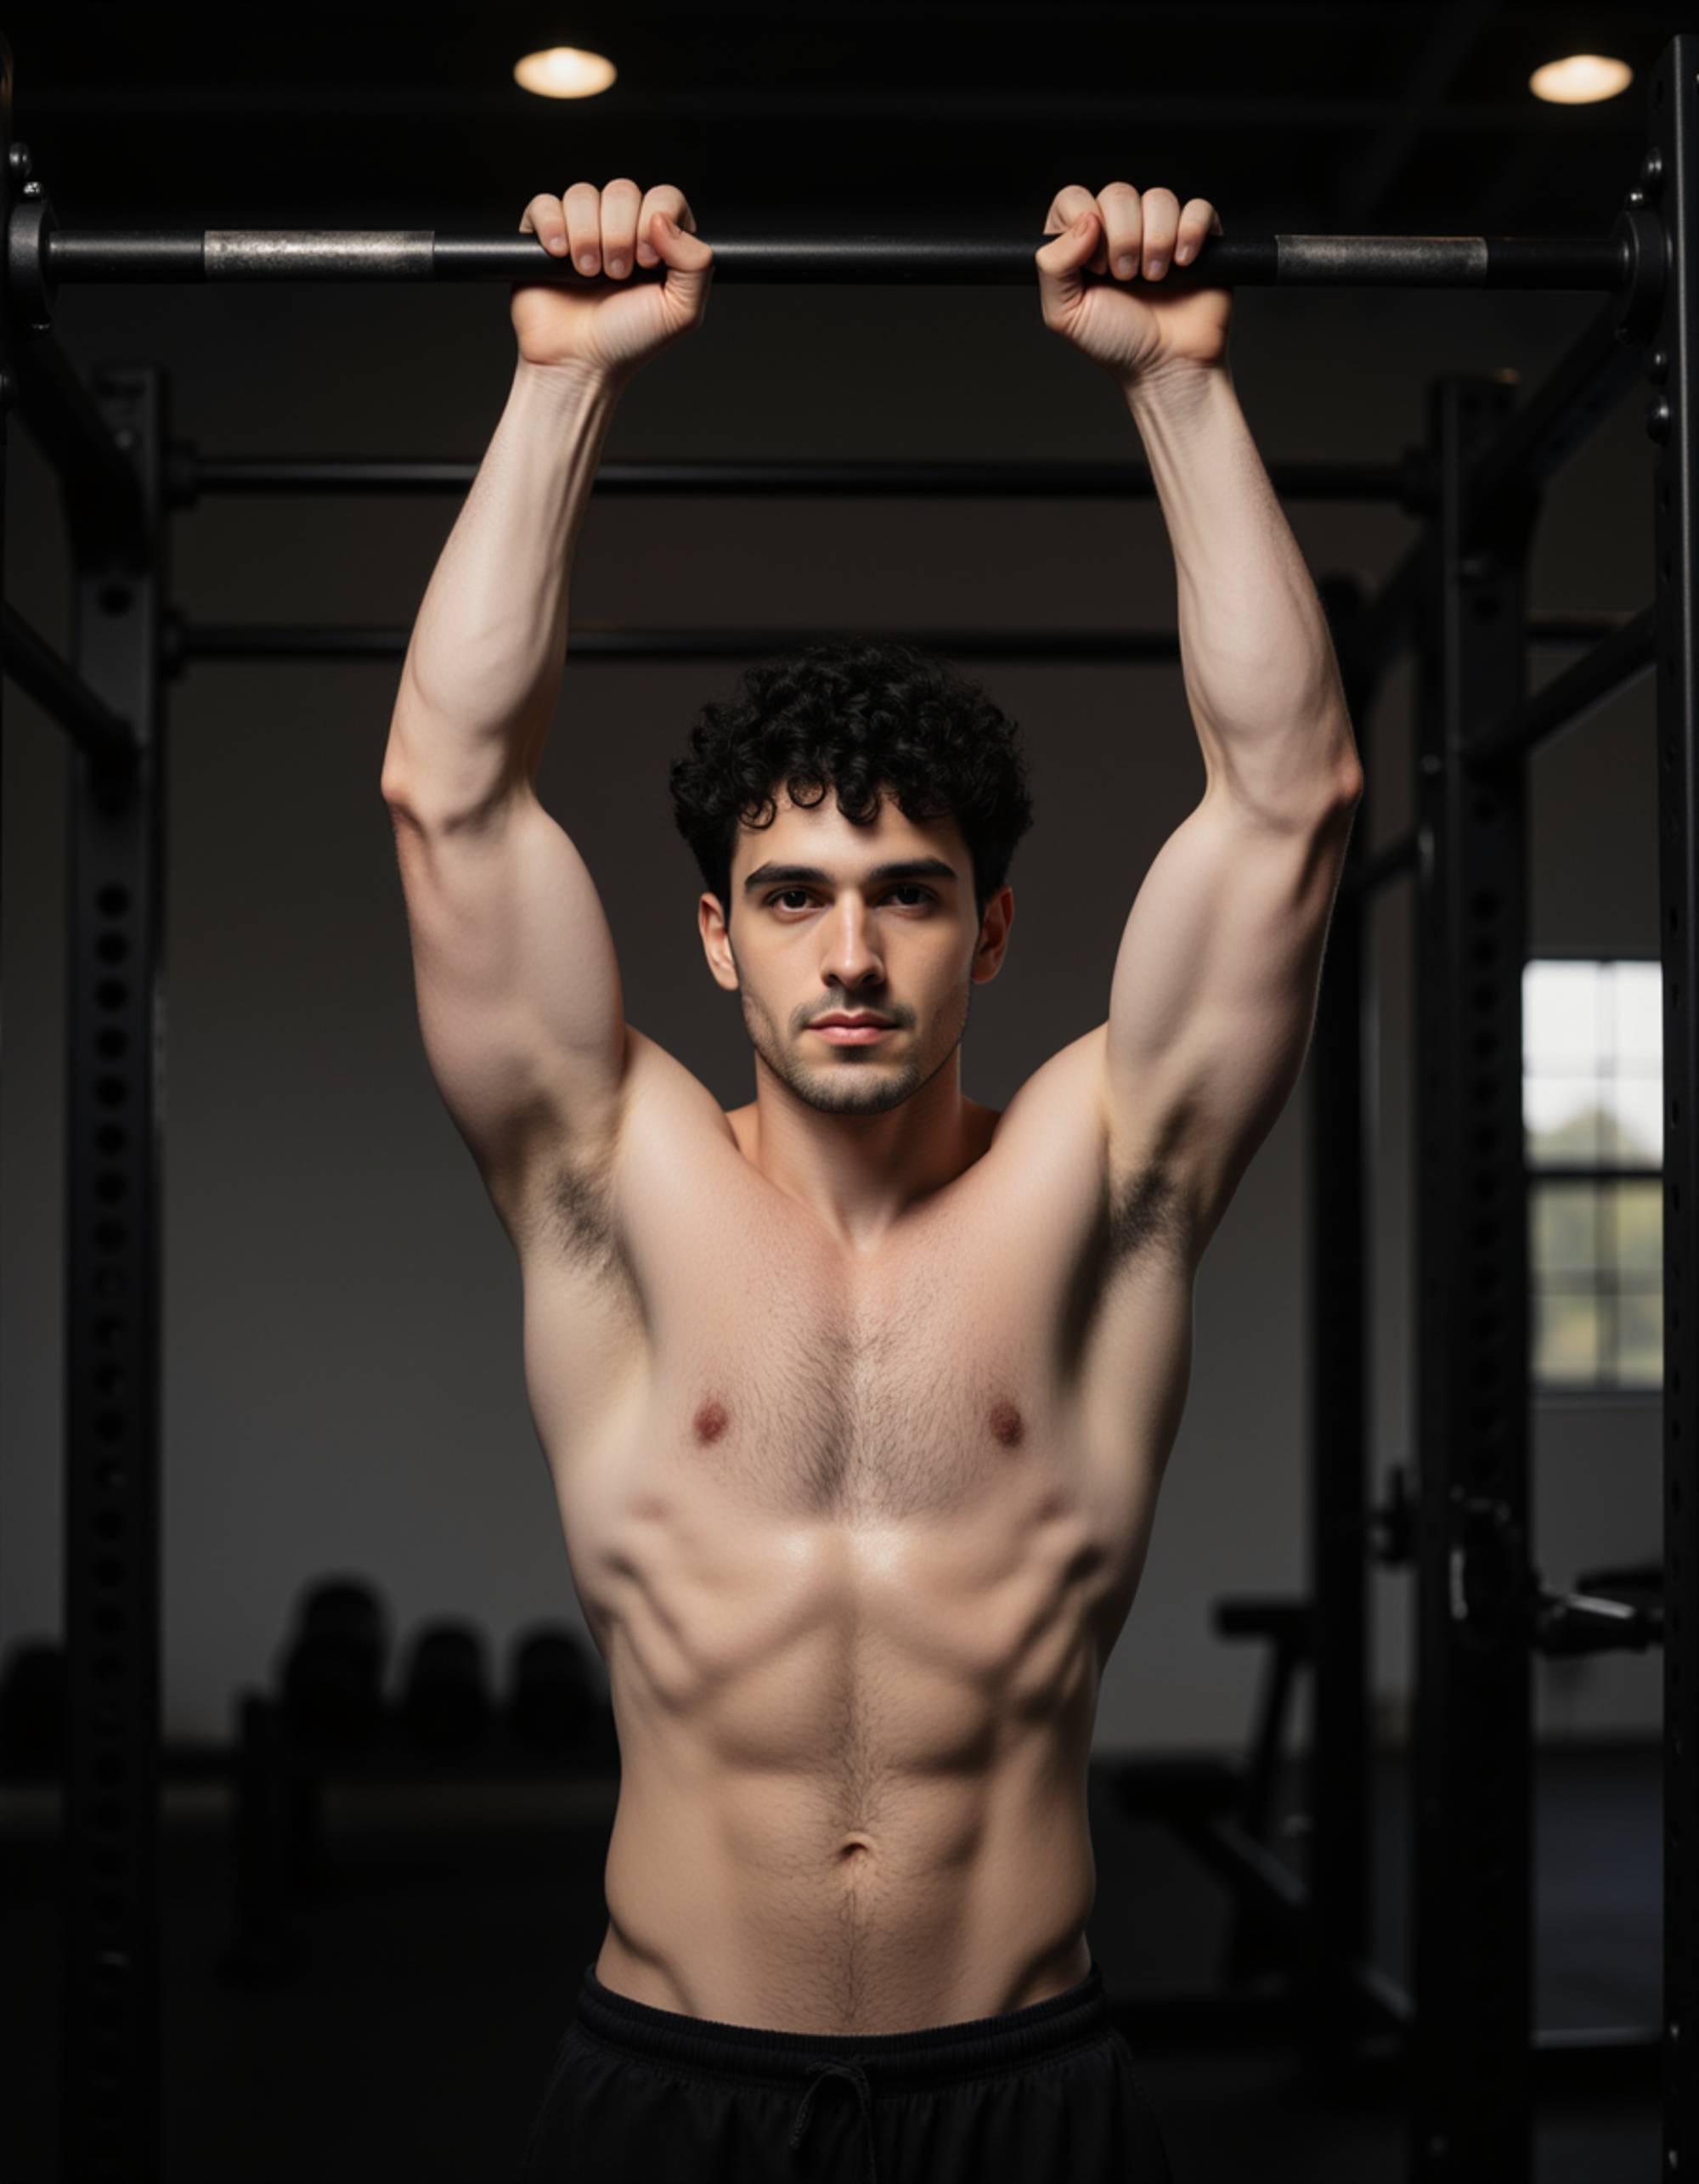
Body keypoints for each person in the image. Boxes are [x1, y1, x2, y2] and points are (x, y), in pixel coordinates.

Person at [380, 177, 1363, 2184]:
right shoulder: (611, 1175)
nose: (848, 953)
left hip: (1025, 2085)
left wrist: (1176, 385)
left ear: (987, 932)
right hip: (671, 2083)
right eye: (792, 896)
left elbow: (1290, 801)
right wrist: (561, 381)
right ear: (715, 934)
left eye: (907, 894)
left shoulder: (1102, 1181)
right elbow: (447, 792)